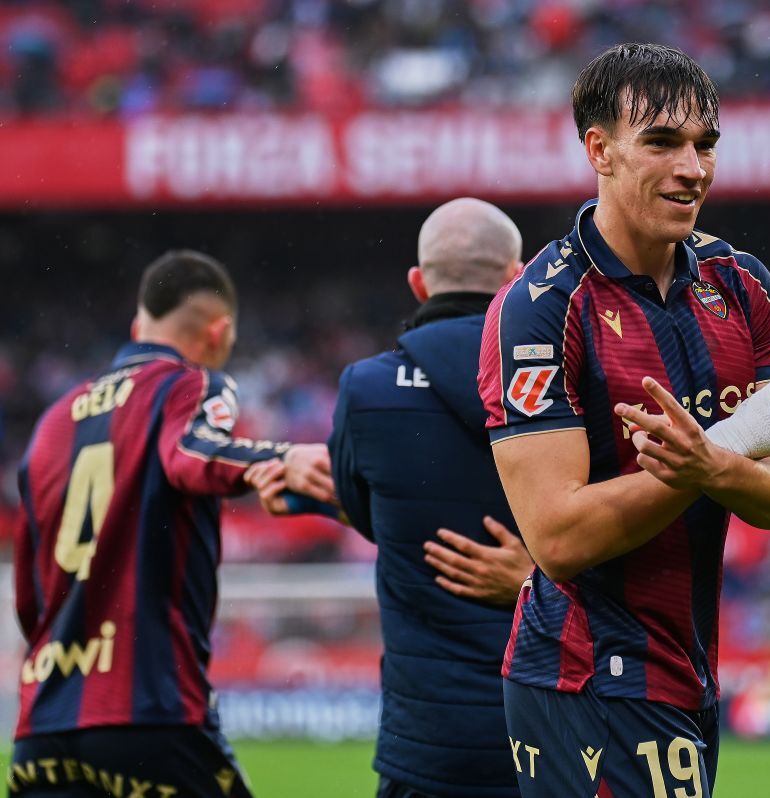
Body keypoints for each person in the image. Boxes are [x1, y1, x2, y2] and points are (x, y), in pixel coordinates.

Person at [478, 43, 770, 797]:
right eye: (661, 142)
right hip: (587, 677)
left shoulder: (744, 286)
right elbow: (556, 540)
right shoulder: (541, 308)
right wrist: (731, 449)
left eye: (705, 144)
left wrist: (712, 463)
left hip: (690, 672)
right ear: (600, 151)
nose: (693, 168)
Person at [7, 250, 332, 797]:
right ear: (220, 330)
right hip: (147, 712)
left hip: (42, 729)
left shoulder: (53, 420)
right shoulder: (189, 385)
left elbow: (28, 597)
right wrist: (277, 459)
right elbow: (190, 454)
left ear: (138, 327)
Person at [325, 198, 535, 798]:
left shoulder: (364, 390)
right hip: (549, 736)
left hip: (427, 747)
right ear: (517, 277)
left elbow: (366, 515)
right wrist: (537, 578)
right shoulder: (564, 384)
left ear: (419, 283)